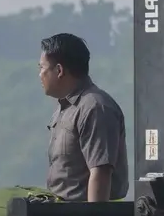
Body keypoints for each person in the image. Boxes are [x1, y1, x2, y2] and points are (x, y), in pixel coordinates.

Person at [40, 33, 130, 203]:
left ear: (59, 70)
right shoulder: (64, 108)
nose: (40, 75)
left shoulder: (95, 108)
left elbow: (100, 172)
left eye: (42, 68)